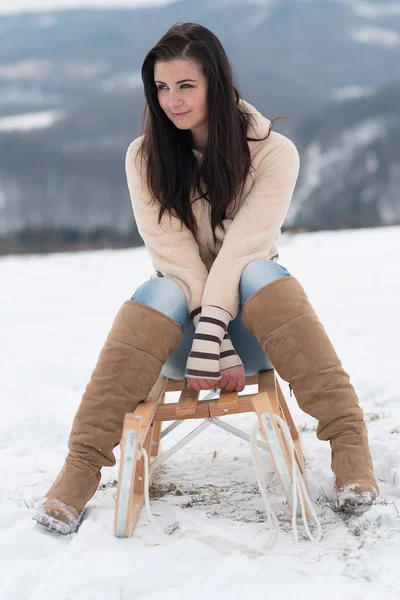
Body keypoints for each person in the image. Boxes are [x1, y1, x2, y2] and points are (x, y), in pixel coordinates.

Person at [33, 22, 378, 535]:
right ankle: (79, 470)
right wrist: (204, 334)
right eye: (161, 88)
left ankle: (350, 447)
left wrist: (218, 329)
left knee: (261, 270)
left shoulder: (272, 153)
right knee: (160, 286)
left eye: (185, 85)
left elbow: (242, 250)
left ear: (216, 82)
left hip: (256, 336)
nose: (171, 100)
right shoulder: (145, 157)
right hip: (180, 344)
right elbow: (174, 257)